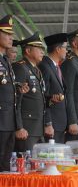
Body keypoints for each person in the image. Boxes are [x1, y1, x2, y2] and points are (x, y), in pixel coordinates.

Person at [13, 32, 46, 152]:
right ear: (27, 50)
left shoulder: (36, 70)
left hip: (38, 128)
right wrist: (19, 127)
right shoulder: (20, 67)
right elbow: (16, 100)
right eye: (39, 48)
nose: (42, 52)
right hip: (26, 128)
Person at [38, 33, 68, 143]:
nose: (66, 51)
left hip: (60, 124)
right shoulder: (45, 66)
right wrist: (48, 123)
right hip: (52, 124)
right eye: (65, 48)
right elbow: (43, 97)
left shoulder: (55, 67)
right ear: (58, 49)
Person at [0, 15, 17, 171]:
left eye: (11, 34)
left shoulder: (5, 61)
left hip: (8, 120)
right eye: (7, 34)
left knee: (5, 166)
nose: (11, 38)